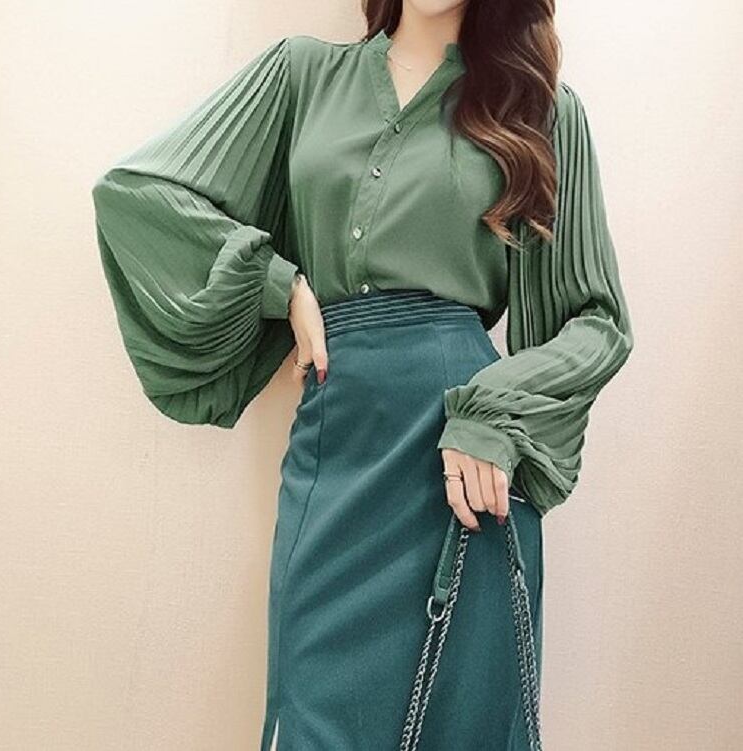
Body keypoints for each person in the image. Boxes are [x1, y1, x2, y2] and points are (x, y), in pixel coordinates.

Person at [91, 1, 633, 748]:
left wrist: (493, 417)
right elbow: (135, 195)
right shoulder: (302, 76)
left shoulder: (537, 108)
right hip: (334, 449)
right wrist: (279, 284)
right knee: (313, 718)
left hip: (463, 469)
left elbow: (596, 321)